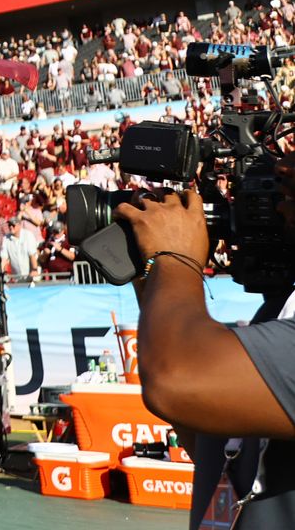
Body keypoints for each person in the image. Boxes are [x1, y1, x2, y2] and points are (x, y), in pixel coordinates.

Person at [114, 161, 295, 527]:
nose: (279, 208)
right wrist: (152, 283)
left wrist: (175, 258)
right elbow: (211, 444)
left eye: (289, 191)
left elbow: (174, 382)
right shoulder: (277, 311)